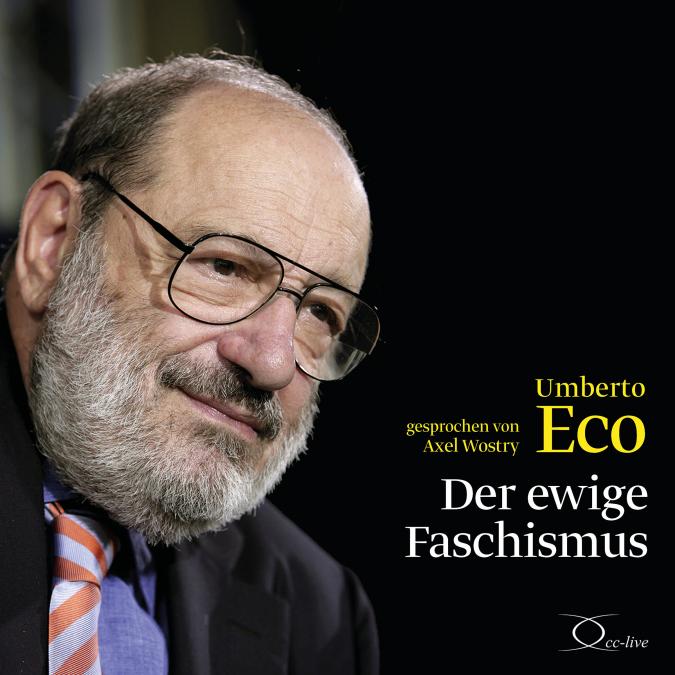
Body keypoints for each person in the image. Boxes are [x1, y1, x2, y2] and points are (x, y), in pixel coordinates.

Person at [0, 52, 380, 674]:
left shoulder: (322, 615)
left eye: (320, 313)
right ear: (54, 240)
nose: (272, 362)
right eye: (224, 266)